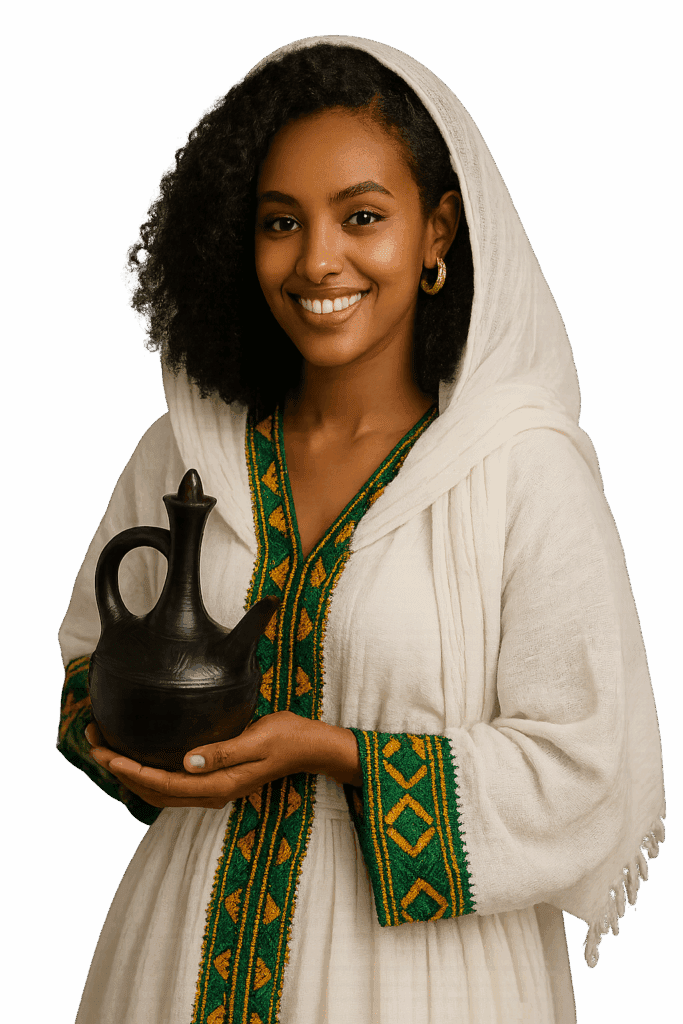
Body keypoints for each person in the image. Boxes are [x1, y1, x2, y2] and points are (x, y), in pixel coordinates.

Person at [57, 36, 665, 1024]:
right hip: (171, 958)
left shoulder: (518, 468)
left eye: (362, 216)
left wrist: (336, 751)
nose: (316, 260)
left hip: (427, 983)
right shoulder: (186, 451)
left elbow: (585, 771)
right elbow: (89, 666)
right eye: (279, 222)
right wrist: (134, 741)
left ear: (437, 232)